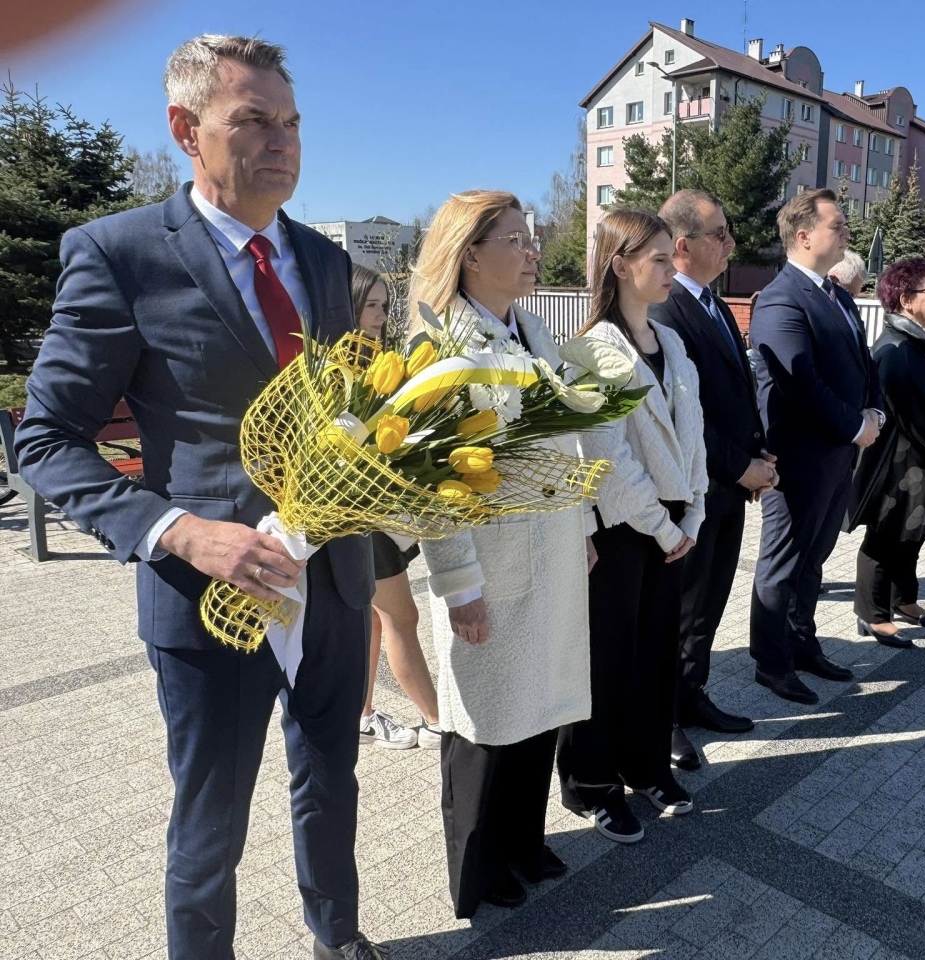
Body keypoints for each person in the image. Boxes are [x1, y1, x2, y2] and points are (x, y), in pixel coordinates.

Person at [14, 35, 383, 960]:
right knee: (210, 823)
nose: (282, 142)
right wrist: (180, 533)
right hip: (210, 600)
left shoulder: (322, 262)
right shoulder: (120, 253)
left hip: (334, 584)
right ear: (186, 130)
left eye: (291, 122)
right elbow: (47, 441)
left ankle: (337, 938)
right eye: (253, 120)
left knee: (331, 782)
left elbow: (338, 412)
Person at [405, 190, 592, 919]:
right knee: (485, 723)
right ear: (468, 254)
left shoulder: (535, 331)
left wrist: (580, 533)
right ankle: (476, 870)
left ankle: (523, 841)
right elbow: (432, 483)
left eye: (530, 236)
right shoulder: (440, 346)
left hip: (549, 551)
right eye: (513, 239)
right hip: (491, 562)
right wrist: (457, 585)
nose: (531, 250)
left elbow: (564, 442)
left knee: (537, 708)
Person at [558, 209, 708, 844]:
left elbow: (692, 434)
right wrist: (661, 526)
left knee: (655, 653)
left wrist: (693, 509)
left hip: (673, 520)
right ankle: (593, 783)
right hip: (624, 527)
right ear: (619, 264)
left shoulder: (670, 343)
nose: (671, 269)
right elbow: (606, 459)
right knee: (607, 657)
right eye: (657, 259)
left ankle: (646, 764)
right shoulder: (591, 349)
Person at [650, 190, 771, 773]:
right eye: (720, 233)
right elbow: (684, 417)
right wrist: (737, 463)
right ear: (682, 246)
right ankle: (664, 717)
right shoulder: (665, 310)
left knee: (709, 604)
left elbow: (733, 395)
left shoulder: (718, 306)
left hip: (728, 487)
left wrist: (757, 449)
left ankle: (693, 694)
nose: (730, 243)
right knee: (679, 608)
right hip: (692, 492)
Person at [748, 189, 883, 706]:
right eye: (838, 225)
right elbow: (799, 382)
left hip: (838, 454)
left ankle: (803, 643)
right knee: (783, 562)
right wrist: (854, 425)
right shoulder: (782, 298)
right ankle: (771, 661)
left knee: (814, 559)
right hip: (799, 458)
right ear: (804, 236)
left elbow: (864, 364)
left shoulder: (837, 294)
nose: (847, 232)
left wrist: (874, 412)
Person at [846, 258, 925, 646]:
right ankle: (871, 613)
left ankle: (904, 600)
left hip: (924, 464)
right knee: (886, 536)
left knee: (912, 533)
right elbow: (919, 414)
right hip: (898, 466)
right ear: (905, 299)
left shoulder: (921, 343)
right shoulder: (898, 349)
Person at [349, 263, 442, 751]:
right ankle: (436, 719)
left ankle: (360, 715)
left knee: (374, 621)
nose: (381, 316)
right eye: (371, 305)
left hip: (383, 511)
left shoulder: (377, 358)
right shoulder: (342, 366)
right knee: (401, 618)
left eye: (385, 306)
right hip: (365, 516)